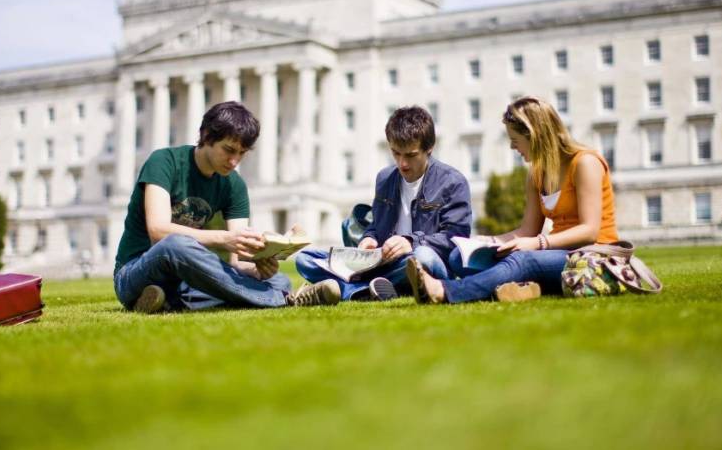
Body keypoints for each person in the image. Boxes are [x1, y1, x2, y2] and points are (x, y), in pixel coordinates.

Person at [113, 101, 341, 314]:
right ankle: (285, 299)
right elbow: (158, 231)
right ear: (206, 136)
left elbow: (237, 260)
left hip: (185, 281)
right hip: (134, 272)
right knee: (175, 244)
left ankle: (166, 301)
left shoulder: (234, 185)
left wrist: (258, 269)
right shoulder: (164, 161)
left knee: (277, 280)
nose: (234, 161)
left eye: (241, 153)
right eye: (229, 150)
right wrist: (225, 238)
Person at [406, 95, 619, 304]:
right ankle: (523, 288)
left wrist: (537, 244)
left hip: (593, 256)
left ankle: (445, 291)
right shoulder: (537, 173)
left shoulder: (585, 163)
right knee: (459, 258)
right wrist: (489, 241)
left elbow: (590, 231)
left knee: (522, 260)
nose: (512, 148)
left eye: (515, 141)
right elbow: (527, 231)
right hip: (556, 255)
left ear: (535, 135)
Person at [295, 106, 472, 300]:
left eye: (410, 155)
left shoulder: (453, 182)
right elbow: (376, 226)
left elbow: (456, 238)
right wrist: (369, 239)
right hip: (383, 262)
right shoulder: (384, 178)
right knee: (306, 259)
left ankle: (354, 290)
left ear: (429, 148)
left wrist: (411, 242)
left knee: (422, 257)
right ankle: (375, 288)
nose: (402, 163)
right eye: (396, 153)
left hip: (424, 262)